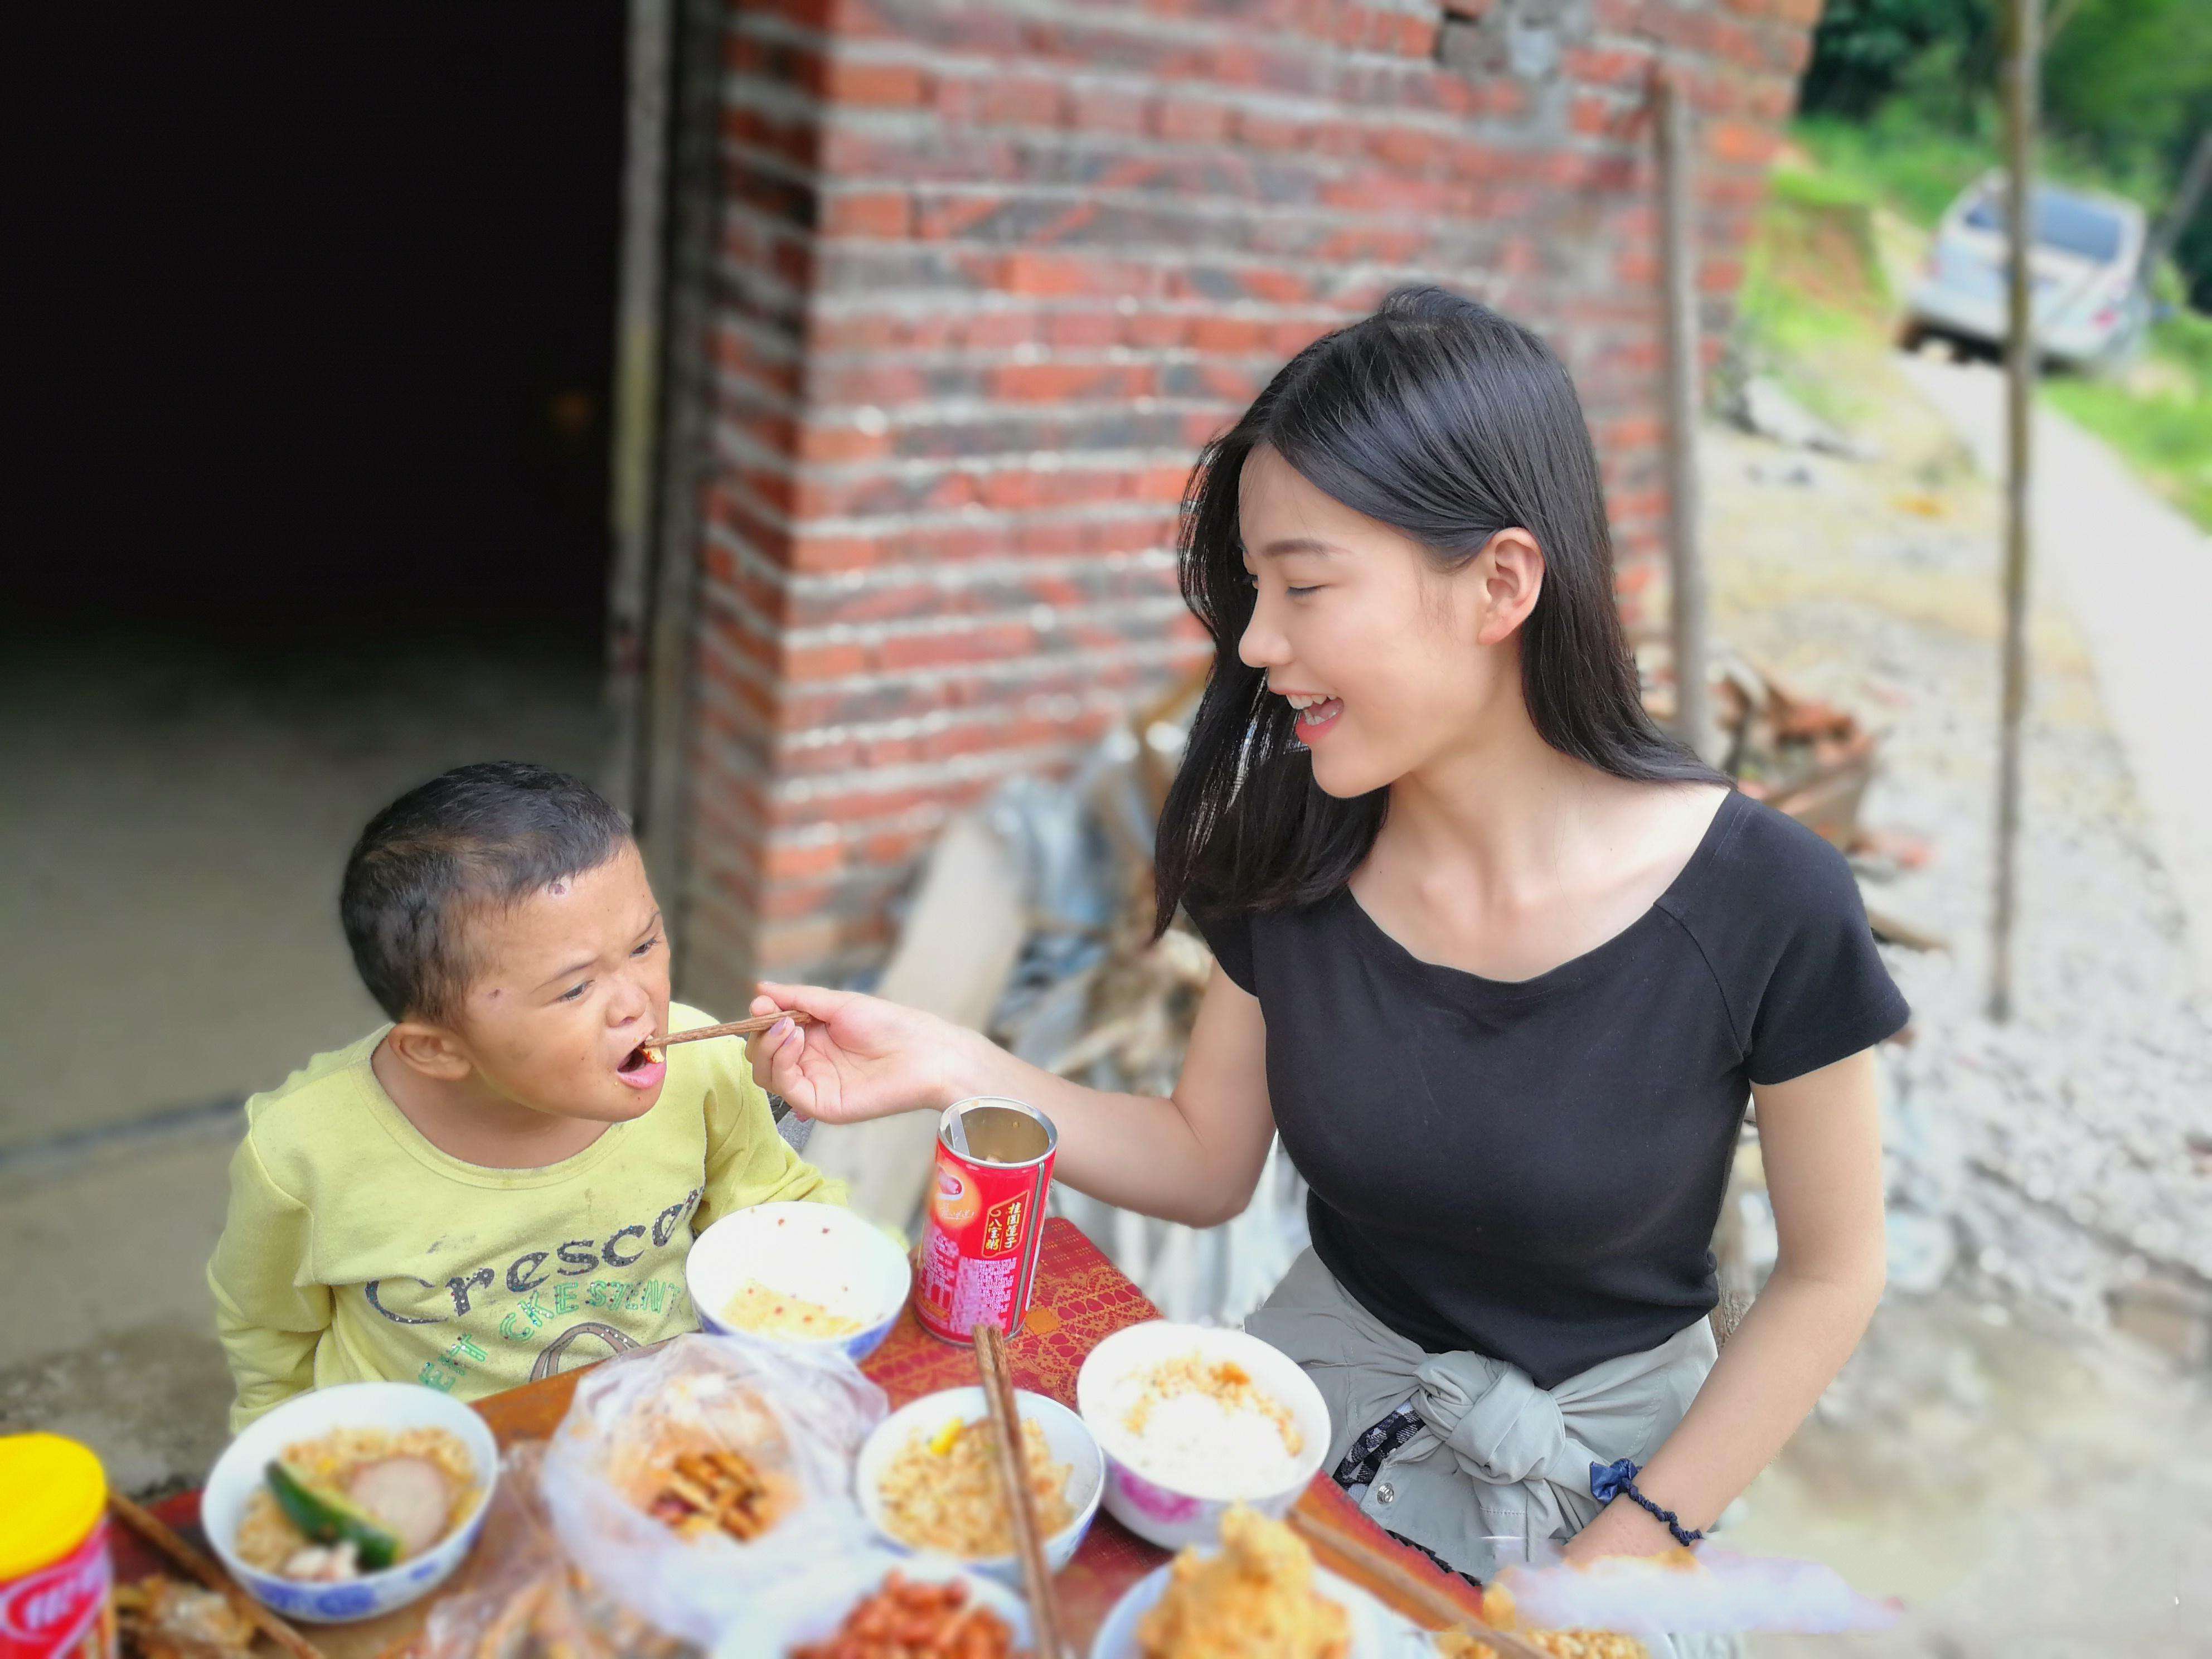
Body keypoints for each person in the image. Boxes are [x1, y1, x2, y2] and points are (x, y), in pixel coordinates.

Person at [742, 288, 1907, 1586]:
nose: (1253, 642)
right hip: (1303, 1416)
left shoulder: (1765, 898)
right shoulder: (1291, 852)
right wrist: (952, 1061)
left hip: (1616, 1477)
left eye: (1301, 584)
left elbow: (1829, 1273)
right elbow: (1202, 1159)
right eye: (1251, 589)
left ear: (1499, 583)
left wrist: (1620, 1563)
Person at [207, 762, 843, 1429]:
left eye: (644, 944)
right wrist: (283, 1446)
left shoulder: (706, 1062)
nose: (638, 1004)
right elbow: (268, 1332)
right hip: (441, 1460)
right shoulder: (304, 1156)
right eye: (573, 989)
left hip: (661, 1428)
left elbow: (773, 1209)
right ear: (438, 1049)